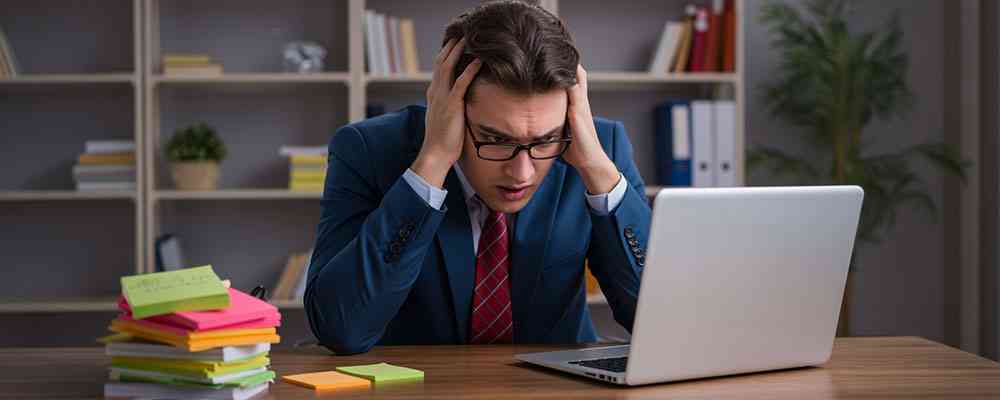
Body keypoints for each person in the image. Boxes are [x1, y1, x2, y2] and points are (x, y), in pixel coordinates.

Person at [305, 0, 651, 355]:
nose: (522, 173)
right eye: (497, 139)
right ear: (449, 107)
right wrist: (433, 160)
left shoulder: (597, 149)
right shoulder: (367, 150)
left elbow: (657, 321)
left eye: (545, 139)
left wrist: (596, 169)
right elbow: (341, 329)